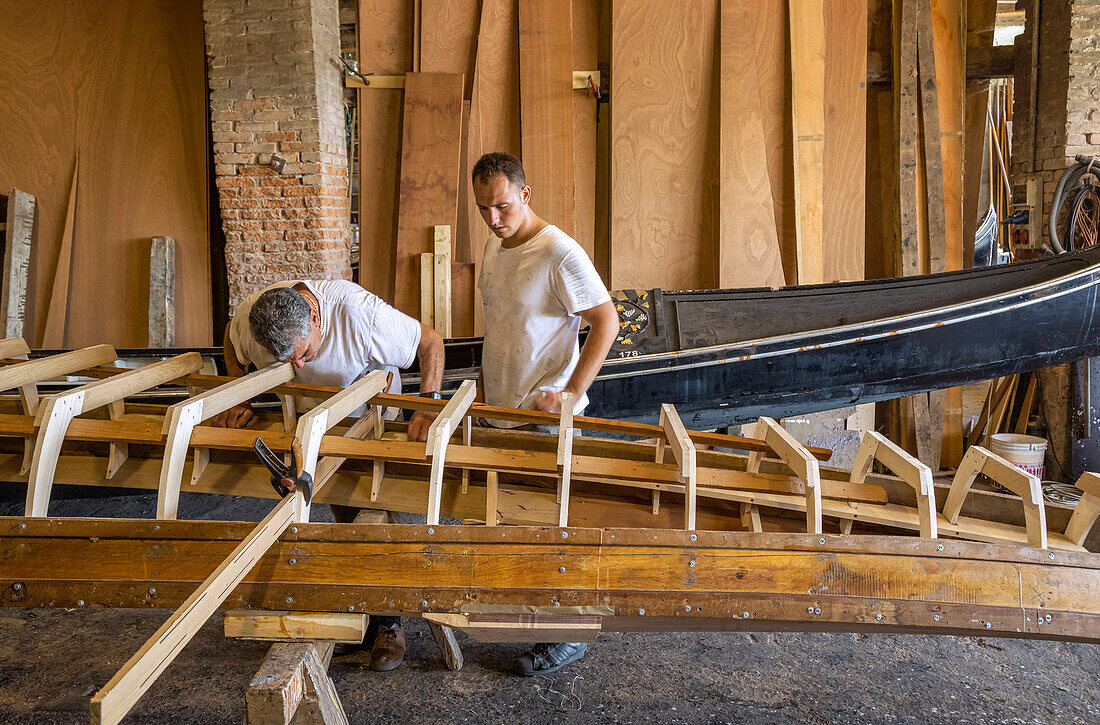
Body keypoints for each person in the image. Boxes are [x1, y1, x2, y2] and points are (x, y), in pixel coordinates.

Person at [214, 279, 445, 672]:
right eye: (285, 360)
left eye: (303, 353)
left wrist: (427, 405)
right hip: (315, 422)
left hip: (371, 416)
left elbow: (431, 343)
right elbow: (230, 342)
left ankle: (388, 621)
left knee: (377, 507)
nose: (298, 366)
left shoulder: (360, 316)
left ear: (316, 317)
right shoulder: (252, 319)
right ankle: (357, 609)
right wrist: (241, 393)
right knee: (342, 510)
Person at [471, 152, 618, 675]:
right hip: (501, 412)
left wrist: (572, 396)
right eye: (484, 208)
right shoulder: (494, 245)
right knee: (509, 524)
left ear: (525, 195)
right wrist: (482, 395)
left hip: (543, 417)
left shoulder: (559, 252)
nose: (493, 218)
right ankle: (523, 619)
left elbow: (607, 321)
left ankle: (570, 634)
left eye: (503, 206)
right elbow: (501, 327)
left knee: (555, 528)